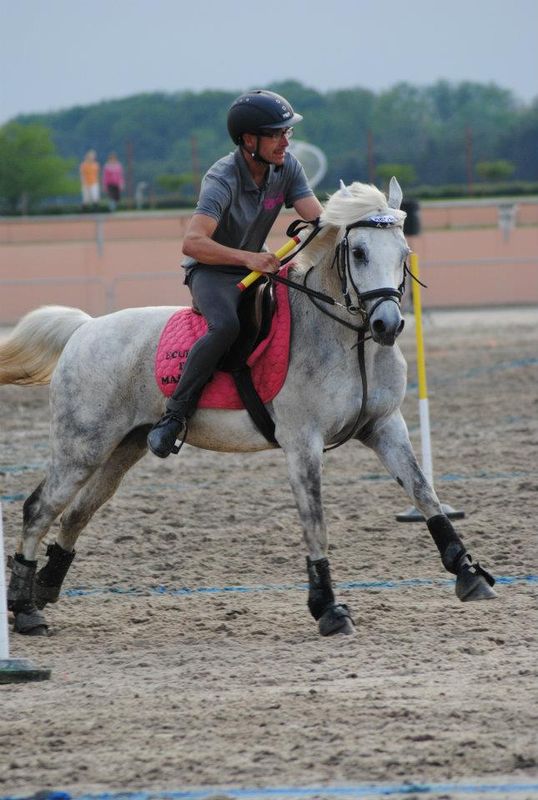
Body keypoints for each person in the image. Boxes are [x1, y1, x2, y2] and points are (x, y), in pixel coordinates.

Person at [147, 89, 324, 458]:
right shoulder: (221, 177)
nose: (285, 141)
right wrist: (249, 259)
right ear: (248, 140)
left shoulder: (288, 166)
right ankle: (174, 416)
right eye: (277, 134)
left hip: (252, 265)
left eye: (286, 133)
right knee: (226, 326)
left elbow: (317, 219)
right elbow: (192, 243)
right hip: (210, 272)